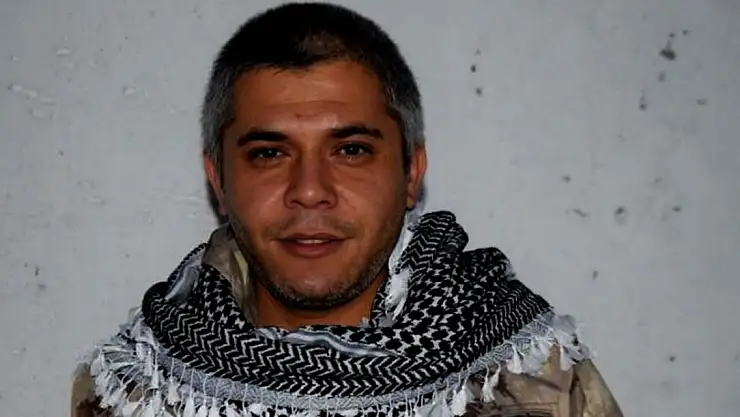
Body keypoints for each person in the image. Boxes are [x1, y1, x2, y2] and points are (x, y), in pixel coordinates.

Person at [71, 3, 623, 417]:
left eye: (351, 150)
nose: (310, 190)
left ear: (411, 173)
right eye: (269, 153)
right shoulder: (135, 389)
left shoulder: (531, 377)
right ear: (218, 179)